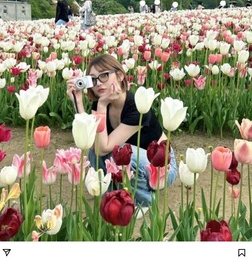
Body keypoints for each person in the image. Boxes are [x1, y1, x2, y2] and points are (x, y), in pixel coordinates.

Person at [66, 54, 178, 210]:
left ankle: (143, 202)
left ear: (119, 75)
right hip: (137, 163)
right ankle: (113, 192)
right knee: (94, 152)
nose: (98, 83)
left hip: (161, 167)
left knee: (126, 151)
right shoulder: (99, 103)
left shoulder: (137, 106)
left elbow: (103, 148)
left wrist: (102, 106)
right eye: (93, 79)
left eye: (104, 75)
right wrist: (77, 101)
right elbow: (93, 144)